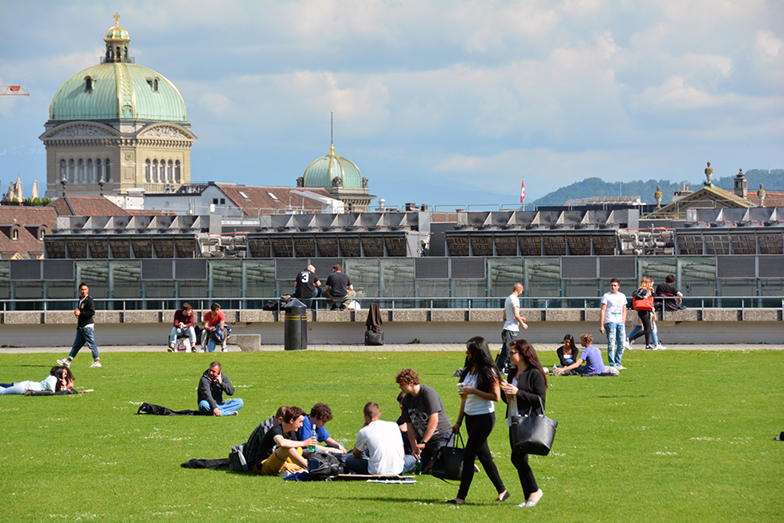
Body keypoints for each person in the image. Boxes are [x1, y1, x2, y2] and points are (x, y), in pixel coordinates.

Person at [449, 336, 509, 505]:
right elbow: (464, 398)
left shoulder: (489, 371)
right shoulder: (468, 369)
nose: (466, 352)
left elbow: (496, 397)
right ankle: (502, 491)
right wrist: (459, 422)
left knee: (469, 455)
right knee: (485, 457)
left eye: (469, 349)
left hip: (484, 418)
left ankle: (461, 498)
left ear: (478, 351)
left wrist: (474, 390)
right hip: (470, 418)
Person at [501, 339, 547, 508]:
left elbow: (540, 400)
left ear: (523, 354)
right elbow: (509, 400)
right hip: (513, 419)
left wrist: (517, 392)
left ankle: (534, 491)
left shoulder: (535, 373)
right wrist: (506, 391)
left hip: (528, 421)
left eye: (513, 352)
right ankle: (529, 497)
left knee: (517, 457)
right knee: (520, 458)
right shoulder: (512, 373)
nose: (510, 356)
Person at [396, 368, 452, 473]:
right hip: (423, 440)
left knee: (441, 469)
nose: (400, 387)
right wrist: (414, 448)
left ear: (411, 382)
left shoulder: (428, 393)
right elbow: (410, 426)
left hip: (440, 435)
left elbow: (434, 420)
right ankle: (433, 460)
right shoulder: (406, 400)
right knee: (416, 468)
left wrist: (424, 442)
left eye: (402, 384)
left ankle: (460, 462)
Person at [345, 401, 415, 475]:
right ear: (379, 415)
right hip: (397, 470)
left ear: (365, 416)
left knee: (349, 460)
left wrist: (363, 428)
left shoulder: (364, 431)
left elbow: (356, 454)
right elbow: (402, 455)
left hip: (377, 471)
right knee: (411, 459)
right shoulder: (394, 426)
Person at [254, 405, 313, 476]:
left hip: (283, 463)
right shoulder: (275, 430)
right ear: (291, 421)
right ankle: (309, 468)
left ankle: (303, 470)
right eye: (300, 422)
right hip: (265, 465)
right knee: (286, 448)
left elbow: (295, 454)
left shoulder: (291, 432)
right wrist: (304, 443)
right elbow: (282, 443)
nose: (301, 425)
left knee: (302, 462)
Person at [57, 283, 101, 369]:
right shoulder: (80, 300)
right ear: (79, 290)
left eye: (85, 289)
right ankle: (68, 362)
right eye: (82, 289)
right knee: (76, 345)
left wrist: (80, 313)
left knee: (91, 344)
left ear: (88, 290)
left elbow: (91, 312)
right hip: (81, 327)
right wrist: (78, 325)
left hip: (87, 326)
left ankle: (97, 362)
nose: (83, 291)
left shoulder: (89, 300)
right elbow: (80, 315)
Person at [496, 283, 528, 373]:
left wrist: (518, 319)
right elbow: (515, 314)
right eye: (521, 291)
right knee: (510, 350)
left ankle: (504, 368)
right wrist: (522, 323)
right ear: (519, 290)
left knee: (506, 349)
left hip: (506, 328)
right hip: (512, 329)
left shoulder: (508, 299)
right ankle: (505, 368)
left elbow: (505, 315)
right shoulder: (515, 299)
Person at [599, 278, 627, 370]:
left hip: (620, 322)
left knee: (622, 344)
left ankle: (618, 362)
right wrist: (602, 325)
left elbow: (624, 309)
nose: (613, 287)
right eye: (611, 285)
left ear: (618, 286)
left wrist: (623, 321)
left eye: (615, 285)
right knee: (611, 343)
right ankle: (612, 363)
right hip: (610, 321)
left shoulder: (622, 296)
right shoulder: (606, 296)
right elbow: (603, 310)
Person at [1, 366, 74, 395]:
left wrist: (65, 387)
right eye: (64, 374)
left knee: (5, 388)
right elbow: (52, 392)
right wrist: (66, 387)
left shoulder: (54, 379)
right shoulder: (53, 379)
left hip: (27, 386)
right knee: (2, 392)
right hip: (25, 388)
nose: (66, 376)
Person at [629, 276, 655, 352]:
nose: (651, 284)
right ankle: (631, 339)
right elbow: (636, 296)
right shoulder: (642, 290)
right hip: (642, 311)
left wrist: (652, 292)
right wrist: (644, 297)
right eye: (649, 283)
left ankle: (648, 344)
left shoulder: (648, 290)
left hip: (647, 310)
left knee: (649, 328)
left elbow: (652, 300)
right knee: (647, 329)